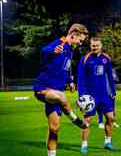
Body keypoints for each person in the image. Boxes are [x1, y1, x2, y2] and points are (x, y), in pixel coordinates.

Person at [33, 23, 89, 156]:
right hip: (43, 87)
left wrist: (70, 80)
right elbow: (44, 50)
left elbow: (67, 66)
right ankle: (75, 119)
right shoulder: (61, 43)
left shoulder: (70, 49)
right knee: (60, 97)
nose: (81, 43)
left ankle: (51, 154)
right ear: (74, 34)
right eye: (80, 40)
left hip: (57, 89)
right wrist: (53, 51)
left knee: (54, 128)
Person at [77, 37, 117, 154]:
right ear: (90, 46)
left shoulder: (106, 59)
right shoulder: (85, 59)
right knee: (87, 121)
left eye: (97, 45)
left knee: (110, 118)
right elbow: (80, 78)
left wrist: (113, 92)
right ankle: (84, 145)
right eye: (93, 45)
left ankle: (108, 142)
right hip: (90, 96)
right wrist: (82, 96)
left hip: (104, 94)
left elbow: (110, 76)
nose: (95, 48)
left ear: (101, 45)